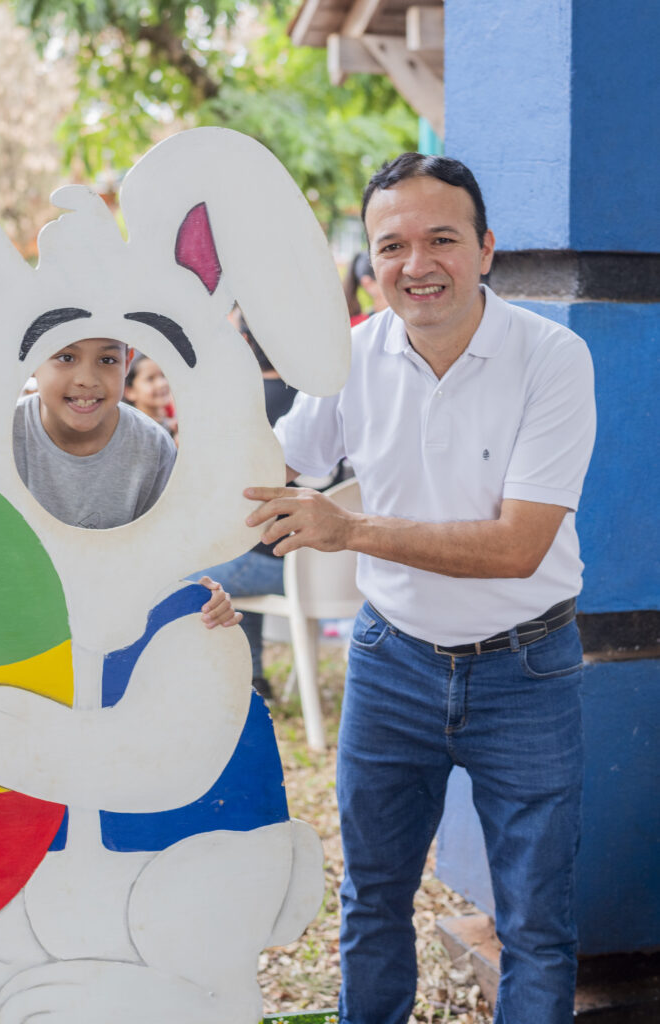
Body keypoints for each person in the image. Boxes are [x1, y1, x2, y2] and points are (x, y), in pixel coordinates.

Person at [245, 153, 596, 1024]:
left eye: (440, 238)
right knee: (371, 901)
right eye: (390, 246)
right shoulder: (349, 357)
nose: (415, 264)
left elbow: (519, 546)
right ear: (370, 264)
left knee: (535, 924)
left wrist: (350, 528)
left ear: (485, 249)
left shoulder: (552, 358)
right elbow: (270, 474)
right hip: (391, 661)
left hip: (528, 670)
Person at [13, 335, 240, 628]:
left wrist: (202, 599)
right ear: (32, 360)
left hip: (108, 626)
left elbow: (164, 559)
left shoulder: (152, 445)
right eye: (66, 357)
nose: (86, 379)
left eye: (107, 360)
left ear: (127, 363)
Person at [191, 315, 298, 700]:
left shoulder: (245, 407)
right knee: (241, 555)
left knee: (181, 577)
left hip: (277, 563)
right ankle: (253, 677)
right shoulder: (319, 401)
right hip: (339, 568)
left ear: (247, 344)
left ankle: (199, 684)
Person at [124, 351, 177, 440]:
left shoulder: (173, 426)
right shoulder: (133, 434)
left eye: (163, 375)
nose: (162, 383)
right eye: (150, 379)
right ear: (130, 391)